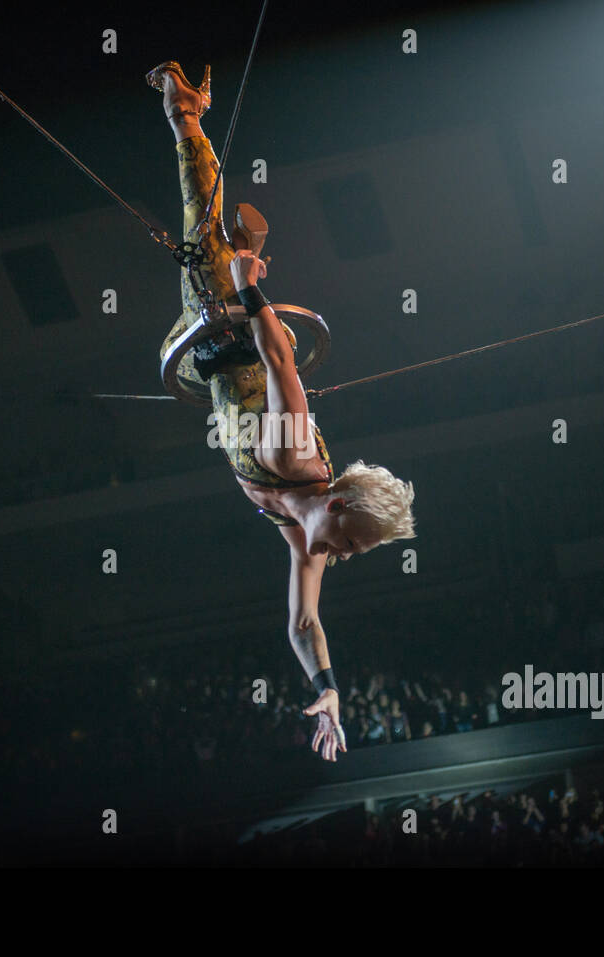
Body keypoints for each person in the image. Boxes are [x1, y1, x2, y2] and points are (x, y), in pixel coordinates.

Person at [147, 61, 417, 761]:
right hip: (237, 329)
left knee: (202, 249)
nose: (340, 557)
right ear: (338, 499)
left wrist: (328, 689)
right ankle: (186, 110)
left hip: (216, 367)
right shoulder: (298, 457)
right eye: (349, 542)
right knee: (198, 221)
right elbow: (280, 364)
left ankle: (236, 235)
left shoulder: (304, 537)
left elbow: (303, 623)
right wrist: (248, 287)